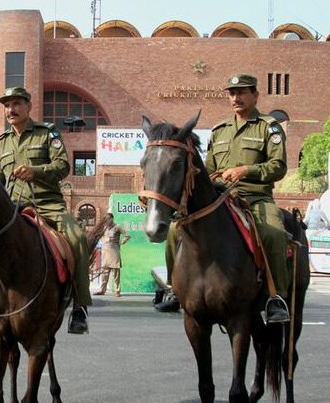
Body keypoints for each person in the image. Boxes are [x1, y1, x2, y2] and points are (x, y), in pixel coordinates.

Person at [159, 74, 290, 324]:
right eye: (232, 93)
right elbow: (207, 170)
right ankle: (174, 289)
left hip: (255, 197)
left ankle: (276, 298)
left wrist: (246, 170)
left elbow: (279, 167)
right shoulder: (219, 130)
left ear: (255, 95)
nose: (236, 98)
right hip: (221, 198)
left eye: (241, 92)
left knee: (274, 234)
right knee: (176, 230)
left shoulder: (268, 127)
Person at [0, 86, 92, 337]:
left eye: (16, 104)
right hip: (13, 207)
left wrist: (37, 171)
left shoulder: (47, 133)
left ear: (28, 107)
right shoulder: (1, 143)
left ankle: (80, 306)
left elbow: (62, 166)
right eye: (7, 105)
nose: (11, 109)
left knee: (76, 236)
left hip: (48, 204)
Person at [93, 213, 130, 297]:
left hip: (114, 251)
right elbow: (98, 236)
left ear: (112, 219)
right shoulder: (104, 228)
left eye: (108, 219)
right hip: (105, 252)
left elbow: (127, 236)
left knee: (116, 272)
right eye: (106, 220)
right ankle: (102, 290)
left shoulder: (117, 227)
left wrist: (122, 242)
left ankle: (117, 290)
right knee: (104, 272)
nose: (107, 222)